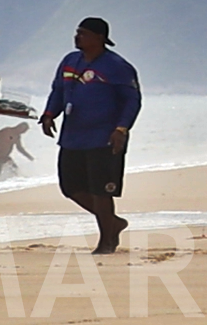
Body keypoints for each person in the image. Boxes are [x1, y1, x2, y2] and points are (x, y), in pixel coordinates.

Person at [39, 17, 141, 255]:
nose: (77, 37)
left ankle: (106, 240)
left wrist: (121, 129)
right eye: (77, 32)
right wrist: (48, 114)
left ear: (100, 38)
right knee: (70, 187)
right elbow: (58, 91)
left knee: (101, 191)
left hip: (104, 138)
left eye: (83, 33)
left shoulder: (117, 66)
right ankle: (113, 223)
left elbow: (132, 101)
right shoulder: (69, 61)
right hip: (72, 136)